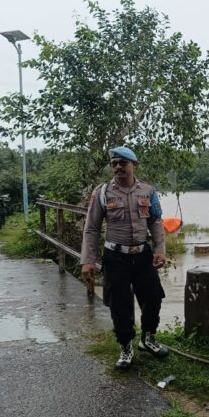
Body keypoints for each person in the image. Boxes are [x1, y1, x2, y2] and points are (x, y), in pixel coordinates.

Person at [81, 146, 170, 369]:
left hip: (143, 256)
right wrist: (88, 261)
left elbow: (156, 222)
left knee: (153, 297)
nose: (118, 167)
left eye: (123, 163)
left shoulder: (148, 191)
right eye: (114, 163)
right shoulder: (102, 193)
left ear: (134, 165)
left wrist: (160, 249)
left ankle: (148, 339)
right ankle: (125, 347)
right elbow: (91, 228)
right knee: (119, 304)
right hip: (115, 257)